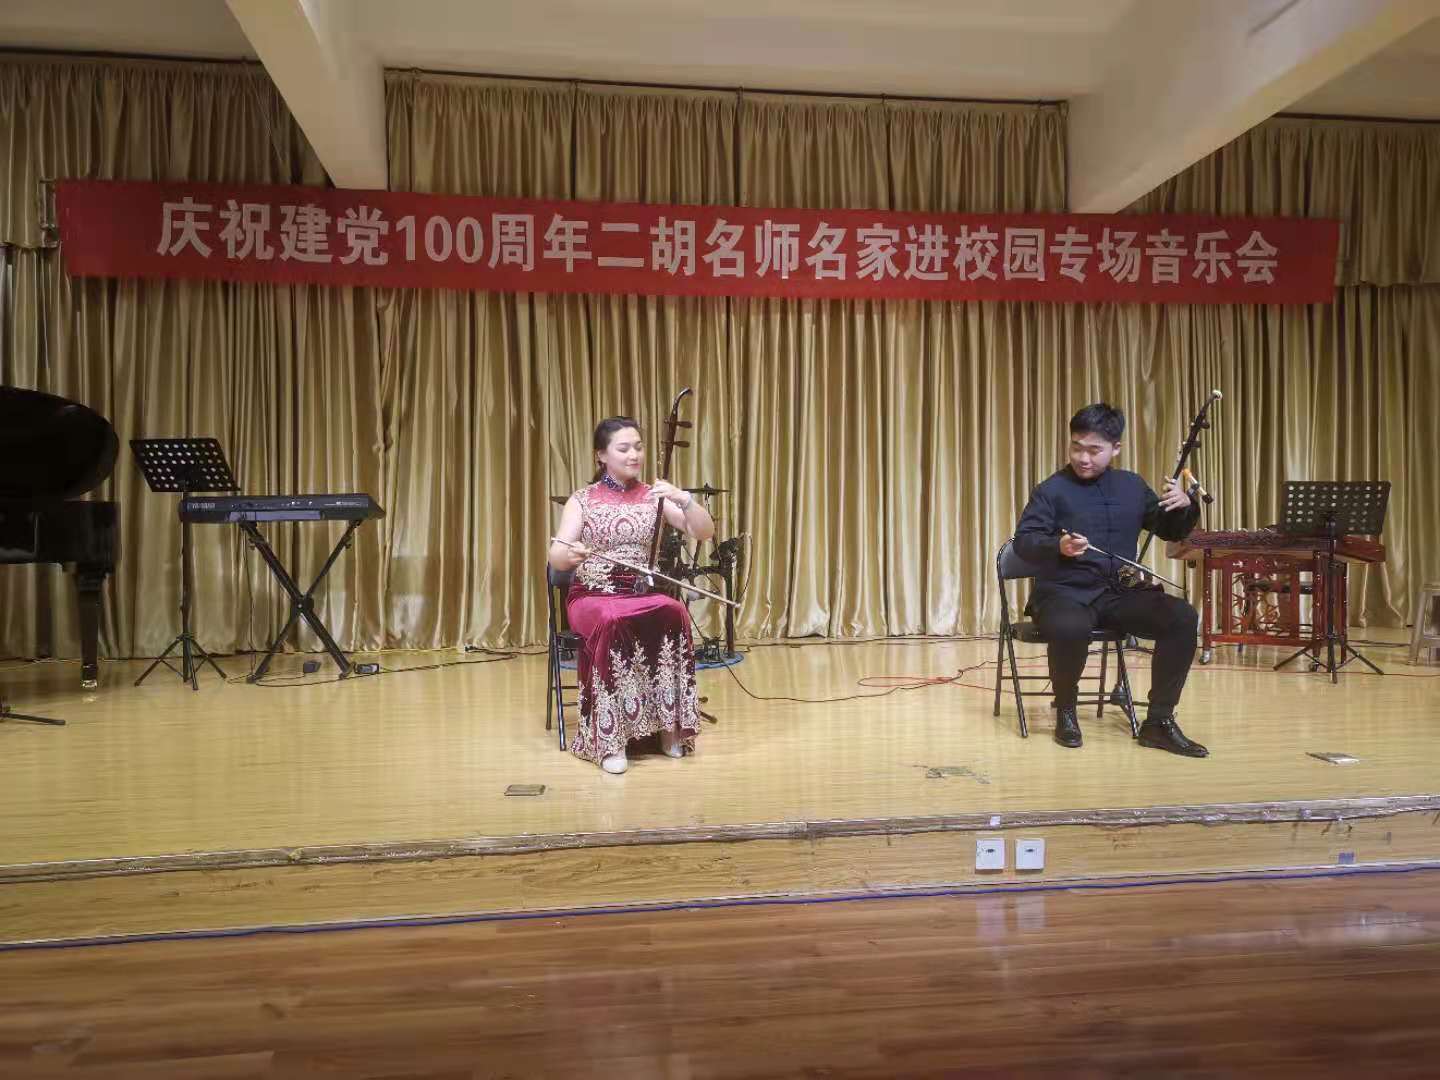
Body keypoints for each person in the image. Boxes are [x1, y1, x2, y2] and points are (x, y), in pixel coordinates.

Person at [1012, 403, 1208, 757]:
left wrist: (1184, 505)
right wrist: (1058, 545)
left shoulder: (1131, 485)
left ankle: (1158, 723)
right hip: (1063, 592)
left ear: (1116, 448)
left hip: (1119, 592)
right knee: (1070, 626)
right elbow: (1025, 542)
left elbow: (1169, 530)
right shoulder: (1051, 490)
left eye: (1094, 450)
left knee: (1181, 617)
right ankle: (1066, 710)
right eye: (1076, 447)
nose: (1083, 458)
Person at [548, 416, 715, 774]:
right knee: (611, 619)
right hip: (592, 596)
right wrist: (570, 555)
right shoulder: (583, 499)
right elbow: (557, 554)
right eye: (623, 448)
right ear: (601, 455)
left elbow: (704, 532)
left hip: (637, 593)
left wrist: (684, 499)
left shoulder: (654, 496)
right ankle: (611, 740)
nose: (634, 455)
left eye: (638, 447)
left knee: (674, 610)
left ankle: (668, 728)